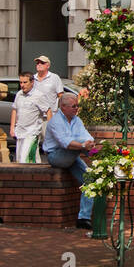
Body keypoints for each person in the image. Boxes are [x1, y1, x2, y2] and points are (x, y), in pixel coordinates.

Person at [42, 93, 96, 229]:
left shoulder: (77, 120)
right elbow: (66, 143)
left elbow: (85, 136)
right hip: (56, 156)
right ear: (63, 107)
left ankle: (83, 218)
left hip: (72, 156)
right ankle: (101, 162)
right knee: (80, 148)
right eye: (73, 106)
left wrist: (89, 143)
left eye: (77, 106)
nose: (76, 109)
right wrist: (85, 146)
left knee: (89, 181)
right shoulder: (55, 122)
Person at [11, 71, 52, 163]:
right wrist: (12, 128)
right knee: (20, 160)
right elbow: (14, 109)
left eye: (25, 82)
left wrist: (50, 128)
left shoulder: (38, 95)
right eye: (20, 82)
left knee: (27, 160)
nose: (22, 85)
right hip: (20, 132)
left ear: (32, 82)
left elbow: (48, 110)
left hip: (31, 133)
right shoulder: (19, 94)